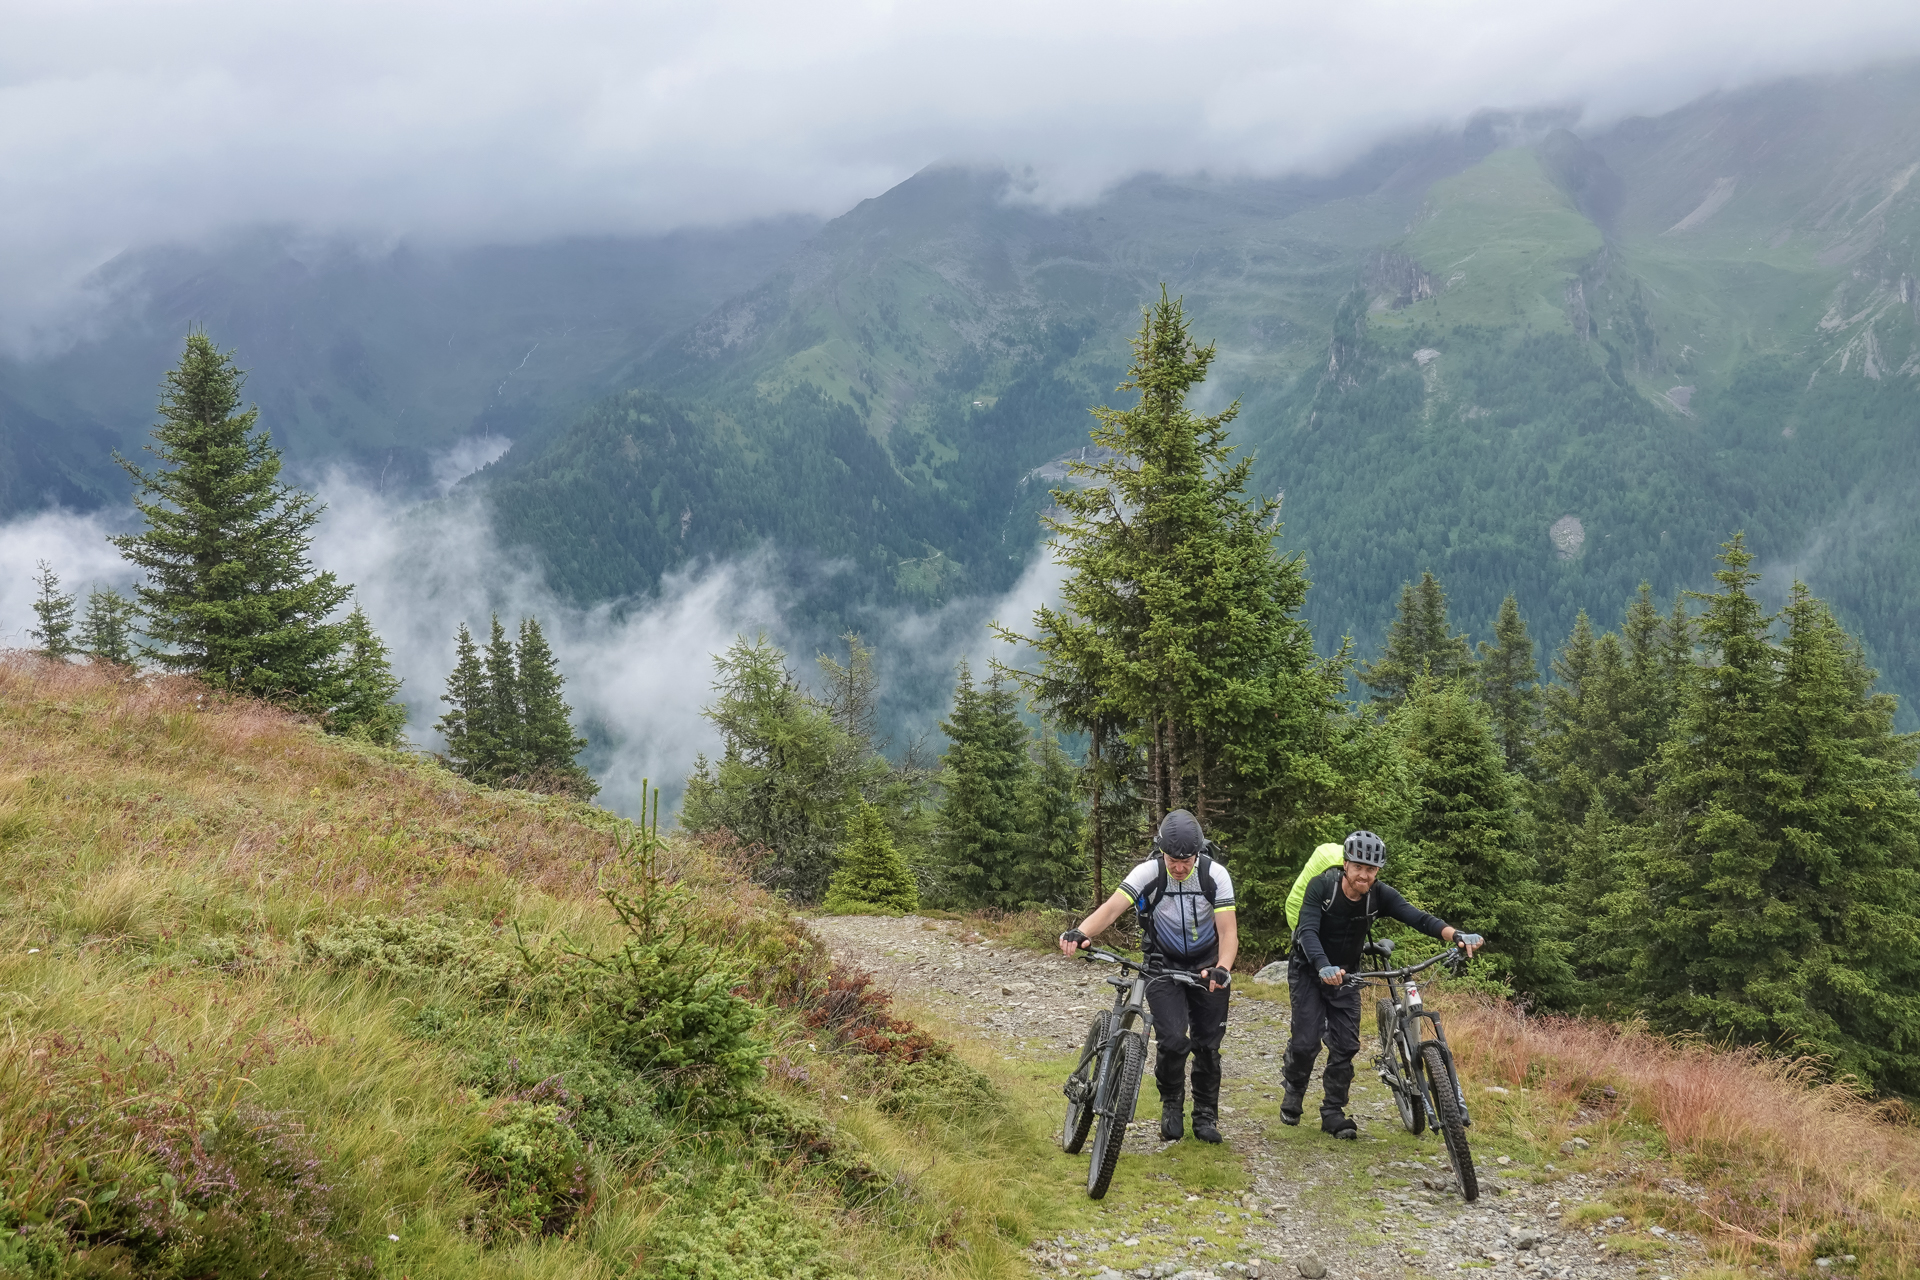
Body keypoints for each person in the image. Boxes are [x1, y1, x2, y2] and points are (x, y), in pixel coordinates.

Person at [1283, 829, 1483, 1139]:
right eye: (1358, 867)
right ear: (1346, 864)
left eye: (1371, 869)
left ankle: (1333, 1113)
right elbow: (1307, 930)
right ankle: (1294, 1089)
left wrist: (1455, 935)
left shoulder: (1379, 895)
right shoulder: (1322, 887)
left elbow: (1419, 918)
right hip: (1309, 970)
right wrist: (1322, 965)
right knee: (1305, 1043)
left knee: (1346, 1045)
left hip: (1348, 974)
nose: (1364, 875)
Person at [1058, 810, 1236, 1144]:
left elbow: (1228, 931)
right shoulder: (1148, 872)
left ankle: (1205, 1115)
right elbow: (1113, 907)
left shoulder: (1215, 875)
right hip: (1162, 963)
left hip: (1207, 965)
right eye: (1172, 861)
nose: (1179, 868)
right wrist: (1081, 931)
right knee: (1173, 1040)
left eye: (1186, 861)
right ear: (1162, 853)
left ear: (1198, 854)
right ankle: (1171, 1104)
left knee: (1208, 1046)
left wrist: (1223, 967)